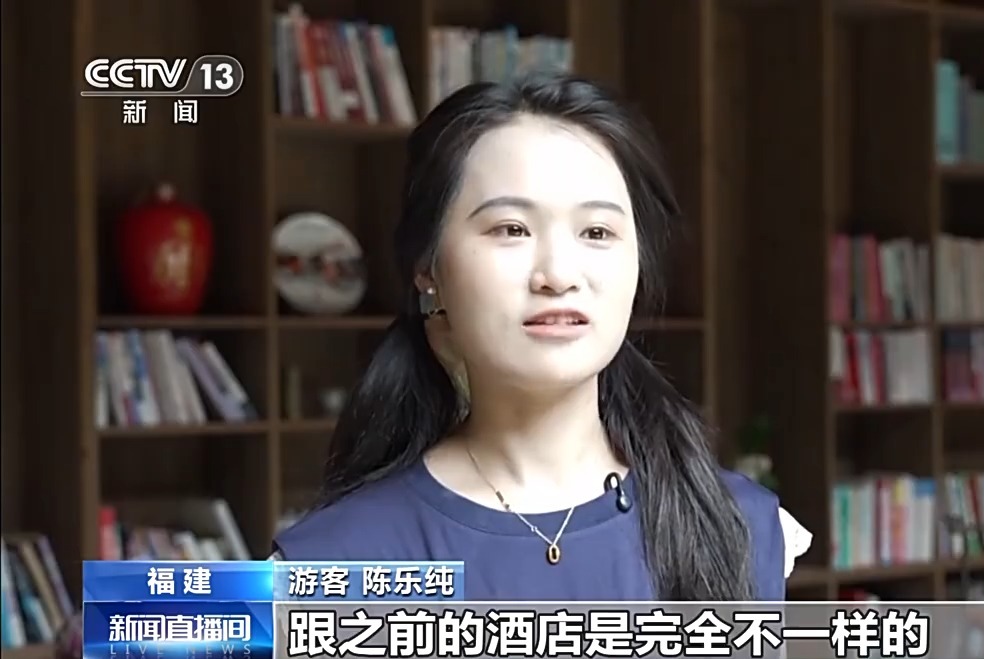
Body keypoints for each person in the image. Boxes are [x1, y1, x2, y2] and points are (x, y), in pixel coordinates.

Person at [273, 74, 811, 601]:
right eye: (512, 229)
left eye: (597, 232)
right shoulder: (327, 569)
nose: (558, 275)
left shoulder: (740, 527)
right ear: (428, 268)